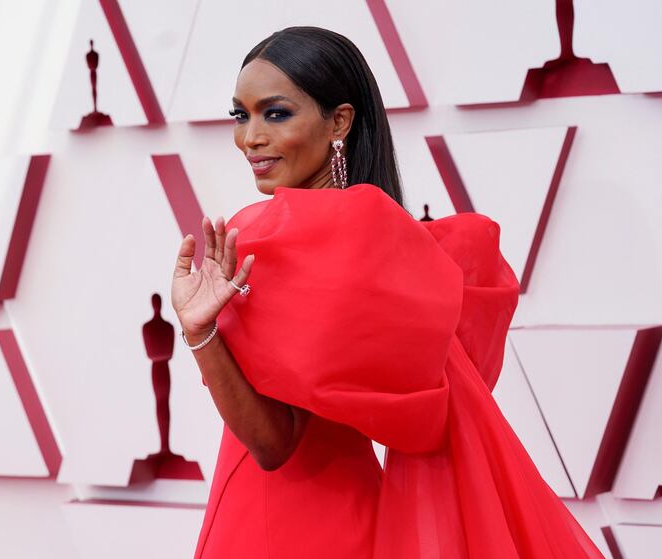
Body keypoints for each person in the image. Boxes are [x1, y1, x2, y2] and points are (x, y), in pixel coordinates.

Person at [171, 26, 605, 559]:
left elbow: (273, 444)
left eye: (275, 113)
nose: (250, 137)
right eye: (241, 114)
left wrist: (201, 332)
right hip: (349, 512)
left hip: (281, 525)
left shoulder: (280, 235)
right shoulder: (382, 238)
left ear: (340, 121)